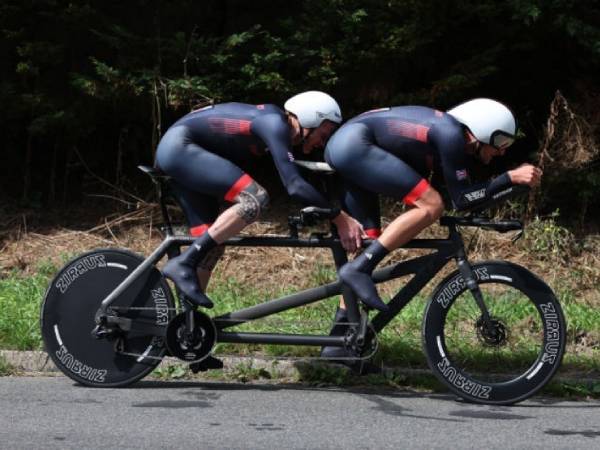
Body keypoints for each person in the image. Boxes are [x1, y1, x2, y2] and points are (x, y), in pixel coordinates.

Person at [321, 98, 542, 357]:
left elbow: (461, 199)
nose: (502, 152)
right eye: (501, 143)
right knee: (430, 205)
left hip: (350, 144)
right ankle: (360, 269)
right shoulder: (450, 135)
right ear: (480, 130)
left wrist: (507, 187)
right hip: (354, 145)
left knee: (371, 241)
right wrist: (509, 177)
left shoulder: (450, 139)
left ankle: (337, 343)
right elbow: (457, 201)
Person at [155, 91, 365, 309]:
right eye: (323, 134)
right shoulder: (274, 124)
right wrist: (339, 217)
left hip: (181, 150)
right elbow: (294, 185)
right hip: (180, 148)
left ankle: (184, 328)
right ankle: (185, 261)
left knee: (212, 245)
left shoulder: (273, 123)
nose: (322, 143)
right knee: (255, 199)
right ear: (310, 118)